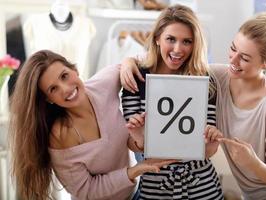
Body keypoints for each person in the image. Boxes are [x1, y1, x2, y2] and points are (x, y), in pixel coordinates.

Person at [120, 10, 266, 200]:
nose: (233, 60)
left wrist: (252, 162)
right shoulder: (220, 76)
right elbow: (166, 62)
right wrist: (127, 61)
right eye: (233, 48)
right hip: (251, 195)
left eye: (245, 58)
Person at [9, 50, 176, 200]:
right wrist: (134, 171)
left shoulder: (103, 84)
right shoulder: (60, 136)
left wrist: (127, 62)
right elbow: (85, 190)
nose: (66, 89)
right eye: (53, 89)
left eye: (64, 76)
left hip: (132, 195)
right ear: (48, 99)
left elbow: (147, 58)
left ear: (74, 69)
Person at [121, 5, 224, 200]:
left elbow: (209, 151)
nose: (178, 49)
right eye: (171, 39)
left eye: (187, 41)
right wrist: (138, 136)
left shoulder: (204, 80)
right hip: (155, 185)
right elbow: (134, 145)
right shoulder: (137, 79)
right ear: (157, 38)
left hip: (201, 186)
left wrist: (212, 140)